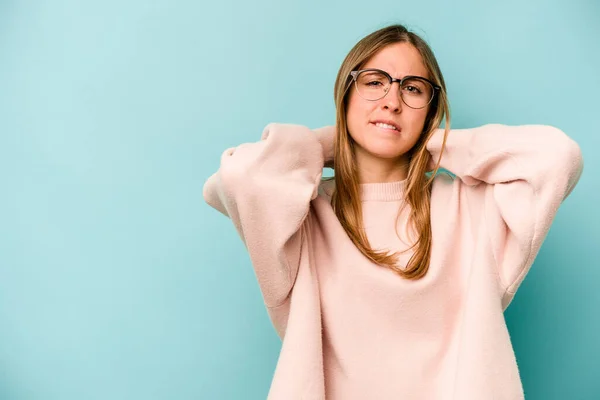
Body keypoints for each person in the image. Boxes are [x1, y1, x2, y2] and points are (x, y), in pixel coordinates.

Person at [202, 24, 584, 400]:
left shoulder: (473, 209)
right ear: (345, 95)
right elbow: (239, 176)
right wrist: (336, 142)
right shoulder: (301, 216)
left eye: (413, 89)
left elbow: (556, 157)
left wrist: (432, 142)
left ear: (431, 111)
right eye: (373, 82)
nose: (392, 100)